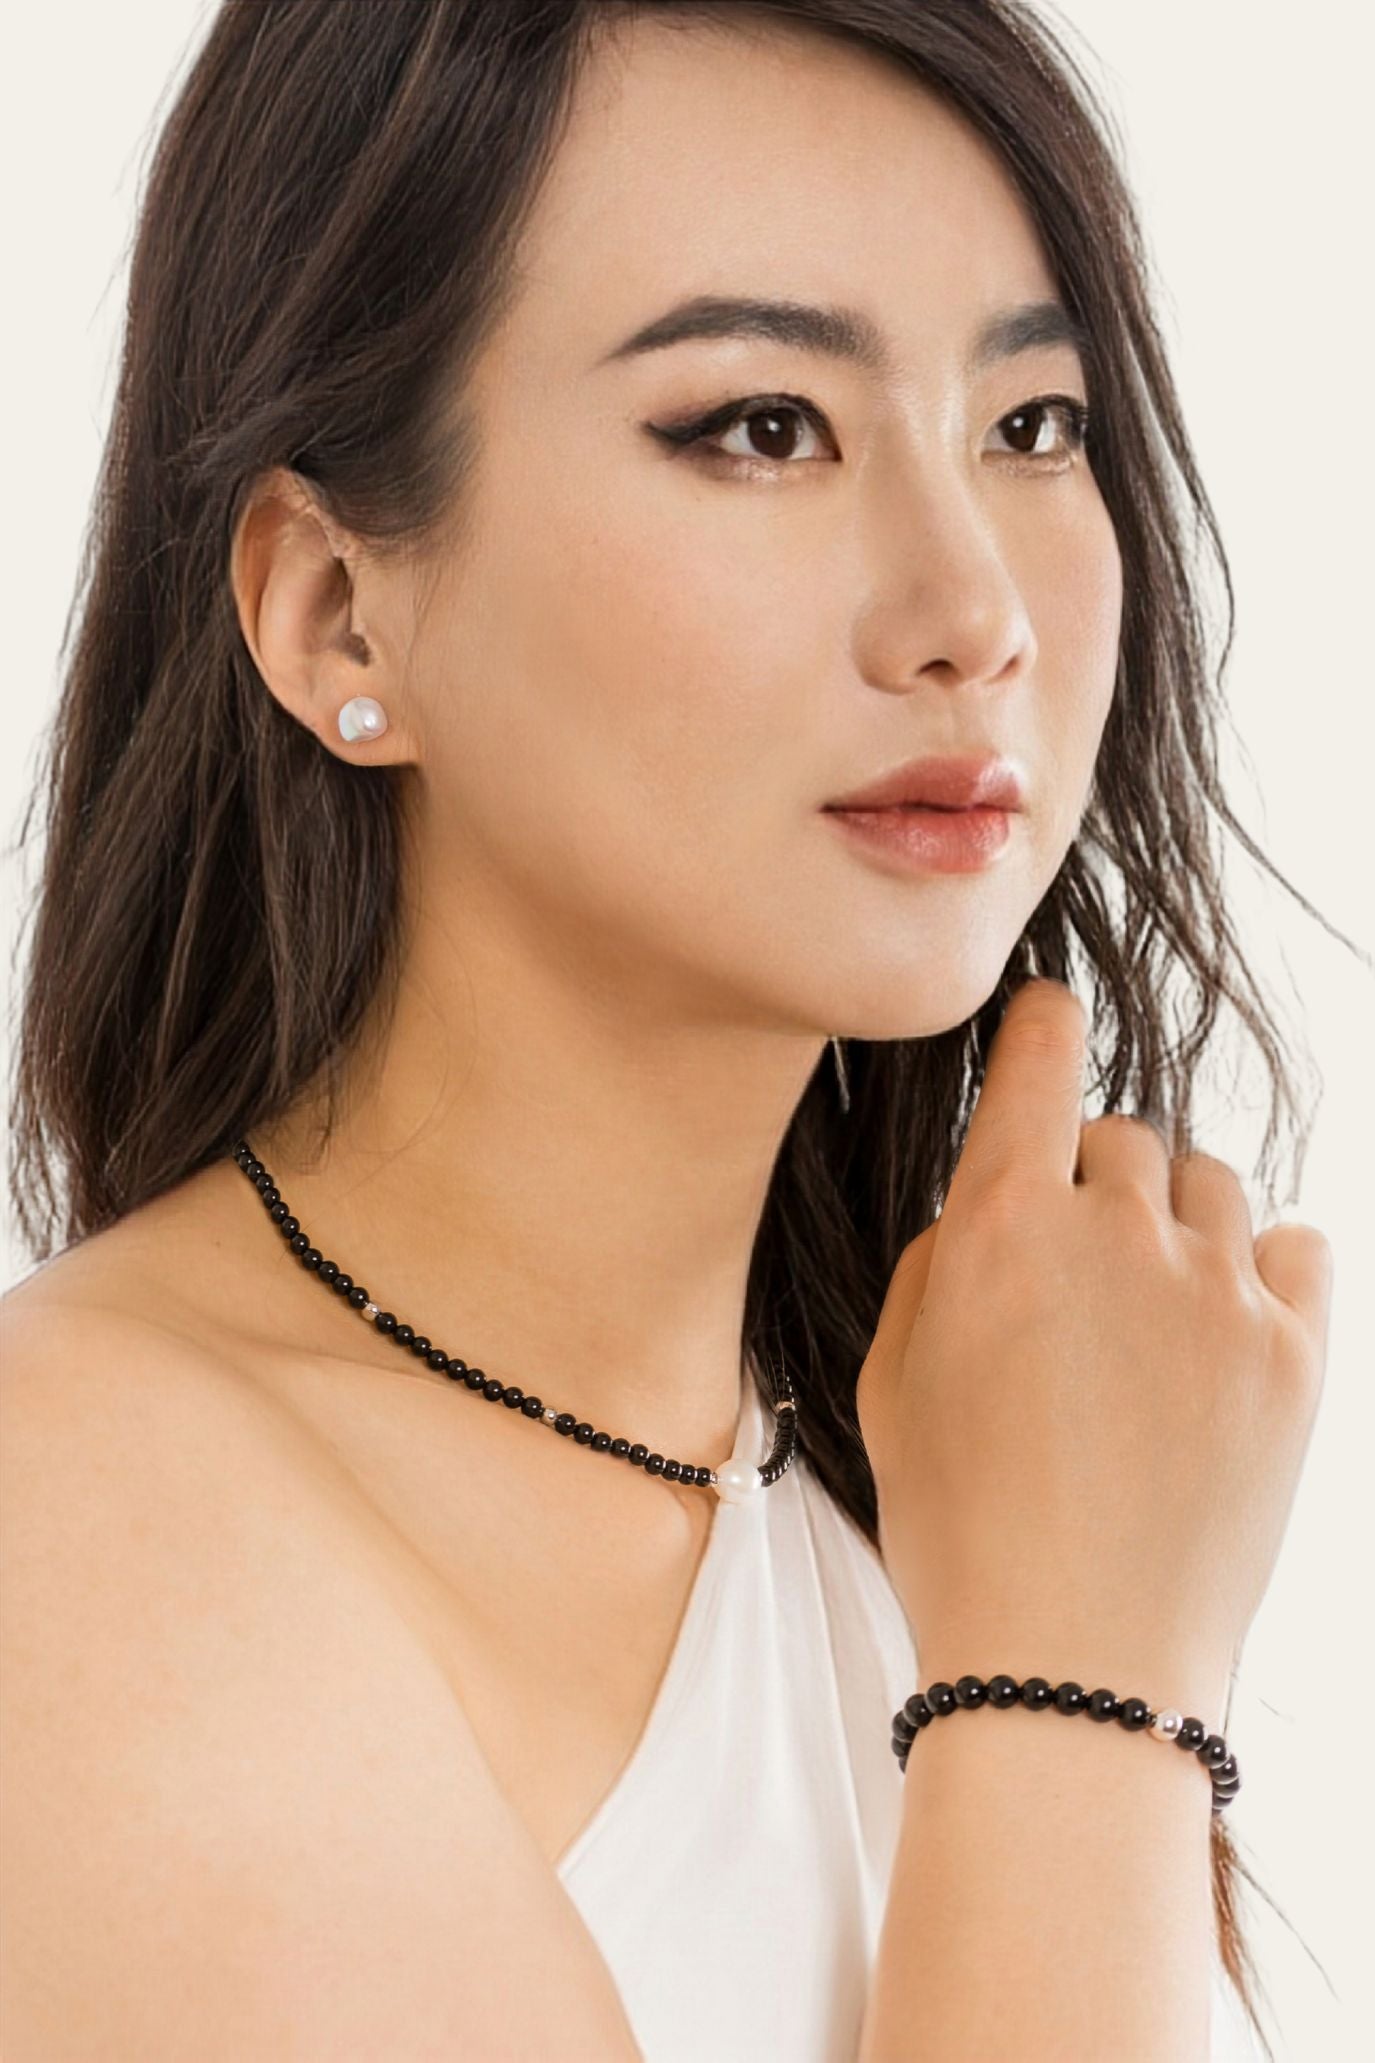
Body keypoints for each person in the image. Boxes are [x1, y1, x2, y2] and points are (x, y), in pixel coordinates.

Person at [1, 3, 1336, 2058]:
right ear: (337, 611)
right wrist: (1077, 1680)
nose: (972, 611)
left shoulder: (920, 1484)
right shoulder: (74, 1531)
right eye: (762, 427)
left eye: (1031, 423)